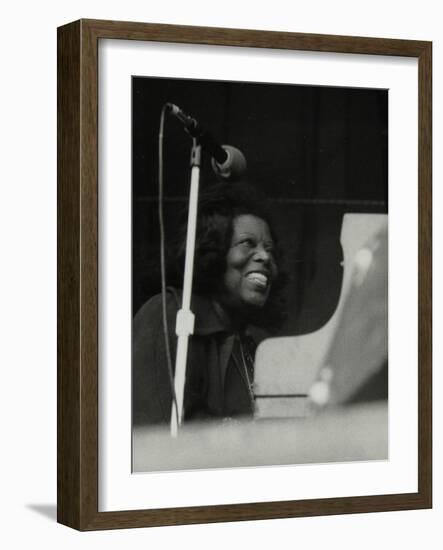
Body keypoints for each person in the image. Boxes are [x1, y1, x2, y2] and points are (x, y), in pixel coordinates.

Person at [133, 182, 286, 426]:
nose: (265, 256)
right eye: (248, 243)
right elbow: (161, 433)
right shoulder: (167, 314)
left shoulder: (252, 344)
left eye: (270, 250)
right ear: (213, 252)